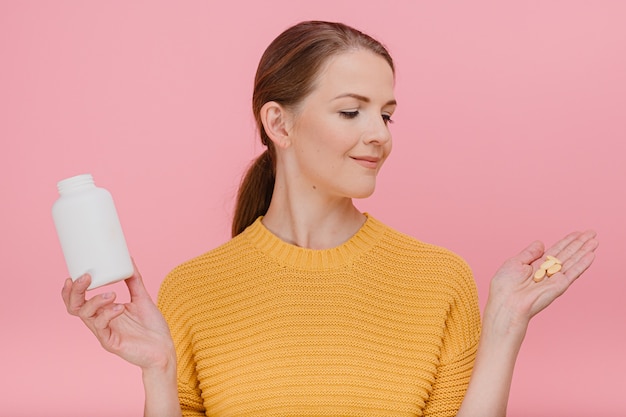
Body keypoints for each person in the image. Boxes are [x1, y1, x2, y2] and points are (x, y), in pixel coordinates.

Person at [62, 20, 598, 417]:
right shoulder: (193, 289)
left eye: (386, 114)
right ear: (279, 123)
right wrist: (159, 373)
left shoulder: (439, 280)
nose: (380, 135)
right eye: (351, 111)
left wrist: (505, 325)